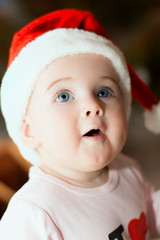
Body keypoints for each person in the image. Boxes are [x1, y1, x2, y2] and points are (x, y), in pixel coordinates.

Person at [0, 9, 160, 240]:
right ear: (29, 130)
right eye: (64, 96)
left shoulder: (127, 169)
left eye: (104, 91)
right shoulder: (34, 214)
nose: (93, 106)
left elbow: (150, 213)